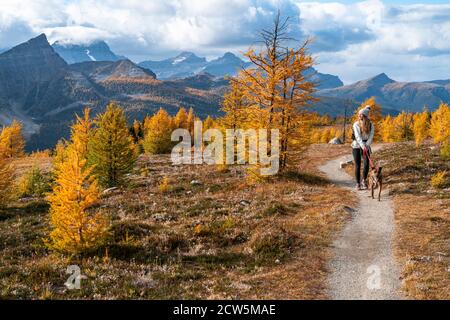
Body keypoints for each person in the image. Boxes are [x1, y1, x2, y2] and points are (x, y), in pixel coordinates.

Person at [352, 106, 375, 190]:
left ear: (365, 115)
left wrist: (367, 145)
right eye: (359, 114)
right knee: (358, 165)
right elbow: (357, 137)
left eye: (361, 114)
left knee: (366, 164)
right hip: (356, 146)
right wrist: (363, 146)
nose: (359, 116)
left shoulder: (371, 125)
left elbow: (371, 136)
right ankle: (358, 183)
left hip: (366, 145)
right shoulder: (356, 124)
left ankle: (364, 181)